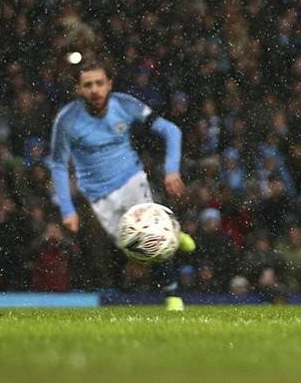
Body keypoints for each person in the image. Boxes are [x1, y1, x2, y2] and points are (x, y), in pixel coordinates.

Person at [48, 58, 195, 310]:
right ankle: (175, 233)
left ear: (109, 85)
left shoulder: (125, 105)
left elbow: (172, 131)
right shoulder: (67, 120)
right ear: (78, 89)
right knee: (135, 249)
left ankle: (172, 296)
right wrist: (67, 209)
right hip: (98, 196)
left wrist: (171, 170)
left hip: (131, 179)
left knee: (150, 237)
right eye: (88, 85)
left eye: (99, 83)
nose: (94, 90)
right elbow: (59, 164)